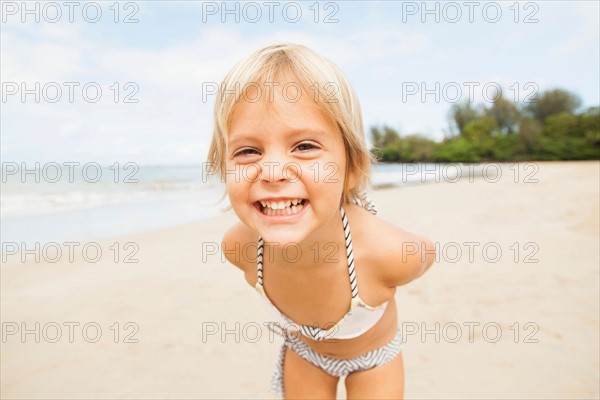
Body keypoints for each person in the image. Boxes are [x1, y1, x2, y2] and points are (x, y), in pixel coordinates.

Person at [207, 43, 436, 399]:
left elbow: (426, 253)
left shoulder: (389, 254)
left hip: (374, 358)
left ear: (352, 168)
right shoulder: (240, 248)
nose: (272, 171)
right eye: (248, 151)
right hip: (306, 354)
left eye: (304, 146)